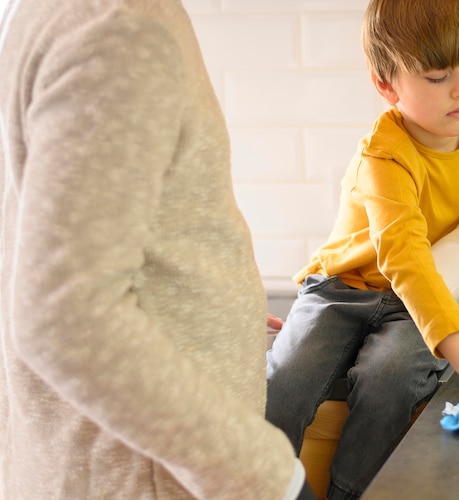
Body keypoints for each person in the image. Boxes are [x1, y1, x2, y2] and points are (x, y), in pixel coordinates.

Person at [0, 0, 316, 498]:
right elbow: (65, 317)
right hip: (141, 473)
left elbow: (59, 239)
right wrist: (270, 478)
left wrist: (206, 309)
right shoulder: (119, 26)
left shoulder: (54, 12)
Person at [265, 0, 459, 498]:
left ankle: (350, 492)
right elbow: (405, 258)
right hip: (341, 290)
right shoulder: (384, 152)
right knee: (284, 381)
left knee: (391, 378)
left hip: (420, 305)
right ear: (386, 84)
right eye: (437, 77)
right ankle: (259, 484)